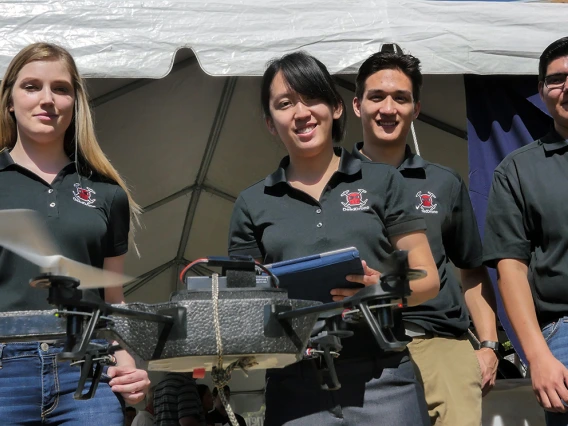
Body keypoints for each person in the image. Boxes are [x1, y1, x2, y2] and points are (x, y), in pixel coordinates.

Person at [228, 51, 440, 425]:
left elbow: (427, 279)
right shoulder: (251, 203)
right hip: (294, 384)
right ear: (270, 122)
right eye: (285, 104)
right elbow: (245, 305)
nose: (301, 112)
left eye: (312, 98)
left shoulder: (383, 181)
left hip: (385, 377)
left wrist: (378, 290)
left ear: (336, 108)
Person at [0, 42, 150, 425]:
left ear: (75, 103)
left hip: (87, 370)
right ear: (10, 101)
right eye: (32, 86)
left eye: (61, 88)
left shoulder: (107, 192)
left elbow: (113, 298)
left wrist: (128, 364)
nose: (47, 99)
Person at [350, 49, 499, 426]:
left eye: (401, 98)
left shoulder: (444, 182)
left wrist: (488, 345)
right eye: (377, 97)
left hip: (440, 342)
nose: (388, 108)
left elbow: (471, 271)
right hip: (362, 346)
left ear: (416, 109)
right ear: (356, 105)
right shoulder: (331, 184)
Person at [483, 36, 568, 426]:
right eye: (557, 79)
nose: (567, 86)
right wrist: (538, 357)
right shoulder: (517, 170)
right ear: (541, 91)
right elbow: (510, 269)